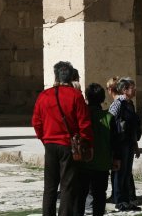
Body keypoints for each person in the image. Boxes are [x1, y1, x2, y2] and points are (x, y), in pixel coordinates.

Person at [32, 60, 93, 216]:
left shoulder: (44, 95)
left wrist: (44, 138)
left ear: (56, 76)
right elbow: (84, 123)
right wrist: (86, 143)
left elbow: (36, 122)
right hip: (68, 145)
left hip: (50, 144)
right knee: (67, 186)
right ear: (71, 77)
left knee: (50, 187)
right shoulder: (76, 95)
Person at [77, 83, 121, 216]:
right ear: (102, 99)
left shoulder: (81, 116)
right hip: (102, 163)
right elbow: (115, 141)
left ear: (87, 97)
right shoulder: (109, 118)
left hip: (83, 163)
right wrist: (116, 159)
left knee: (80, 195)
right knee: (100, 196)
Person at [108, 76, 141, 211]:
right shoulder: (118, 104)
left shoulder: (130, 104)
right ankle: (119, 200)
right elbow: (110, 121)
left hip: (128, 143)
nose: (135, 90)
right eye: (133, 88)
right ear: (125, 90)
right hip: (119, 144)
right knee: (120, 172)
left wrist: (135, 146)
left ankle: (127, 200)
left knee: (127, 173)